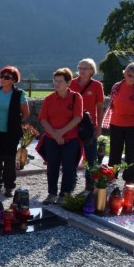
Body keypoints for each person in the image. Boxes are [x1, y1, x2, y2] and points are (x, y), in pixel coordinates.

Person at [102, 61, 134, 185]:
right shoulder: (116, 86)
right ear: (124, 73)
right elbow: (113, 103)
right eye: (130, 75)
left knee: (131, 154)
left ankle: (129, 180)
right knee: (114, 152)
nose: (132, 78)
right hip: (116, 124)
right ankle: (111, 176)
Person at [37, 68, 83, 205]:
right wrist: (55, 134)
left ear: (68, 82)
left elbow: (77, 118)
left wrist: (60, 133)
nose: (57, 84)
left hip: (70, 139)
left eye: (60, 81)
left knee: (69, 167)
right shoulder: (49, 99)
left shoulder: (76, 97)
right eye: (55, 81)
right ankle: (52, 193)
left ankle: (64, 194)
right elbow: (43, 119)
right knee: (52, 167)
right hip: (52, 139)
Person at [0, 66, 30, 197]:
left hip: (11, 133)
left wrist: (15, 121)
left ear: (14, 80)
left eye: (7, 77)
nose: (3, 79)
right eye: (2, 76)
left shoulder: (19, 94)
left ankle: (9, 186)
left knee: (9, 160)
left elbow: (26, 113)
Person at [70, 58, 105, 191]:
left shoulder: (97, 85)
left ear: (92, 70)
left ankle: (89, 185)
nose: (82, 71)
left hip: (90, 125)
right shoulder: (71, 83)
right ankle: (71, 182)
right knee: (72, 155)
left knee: (91, 157)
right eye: (80, 68)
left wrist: (99, 126)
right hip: (73, 124)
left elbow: (100, 107)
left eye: (85, 68)